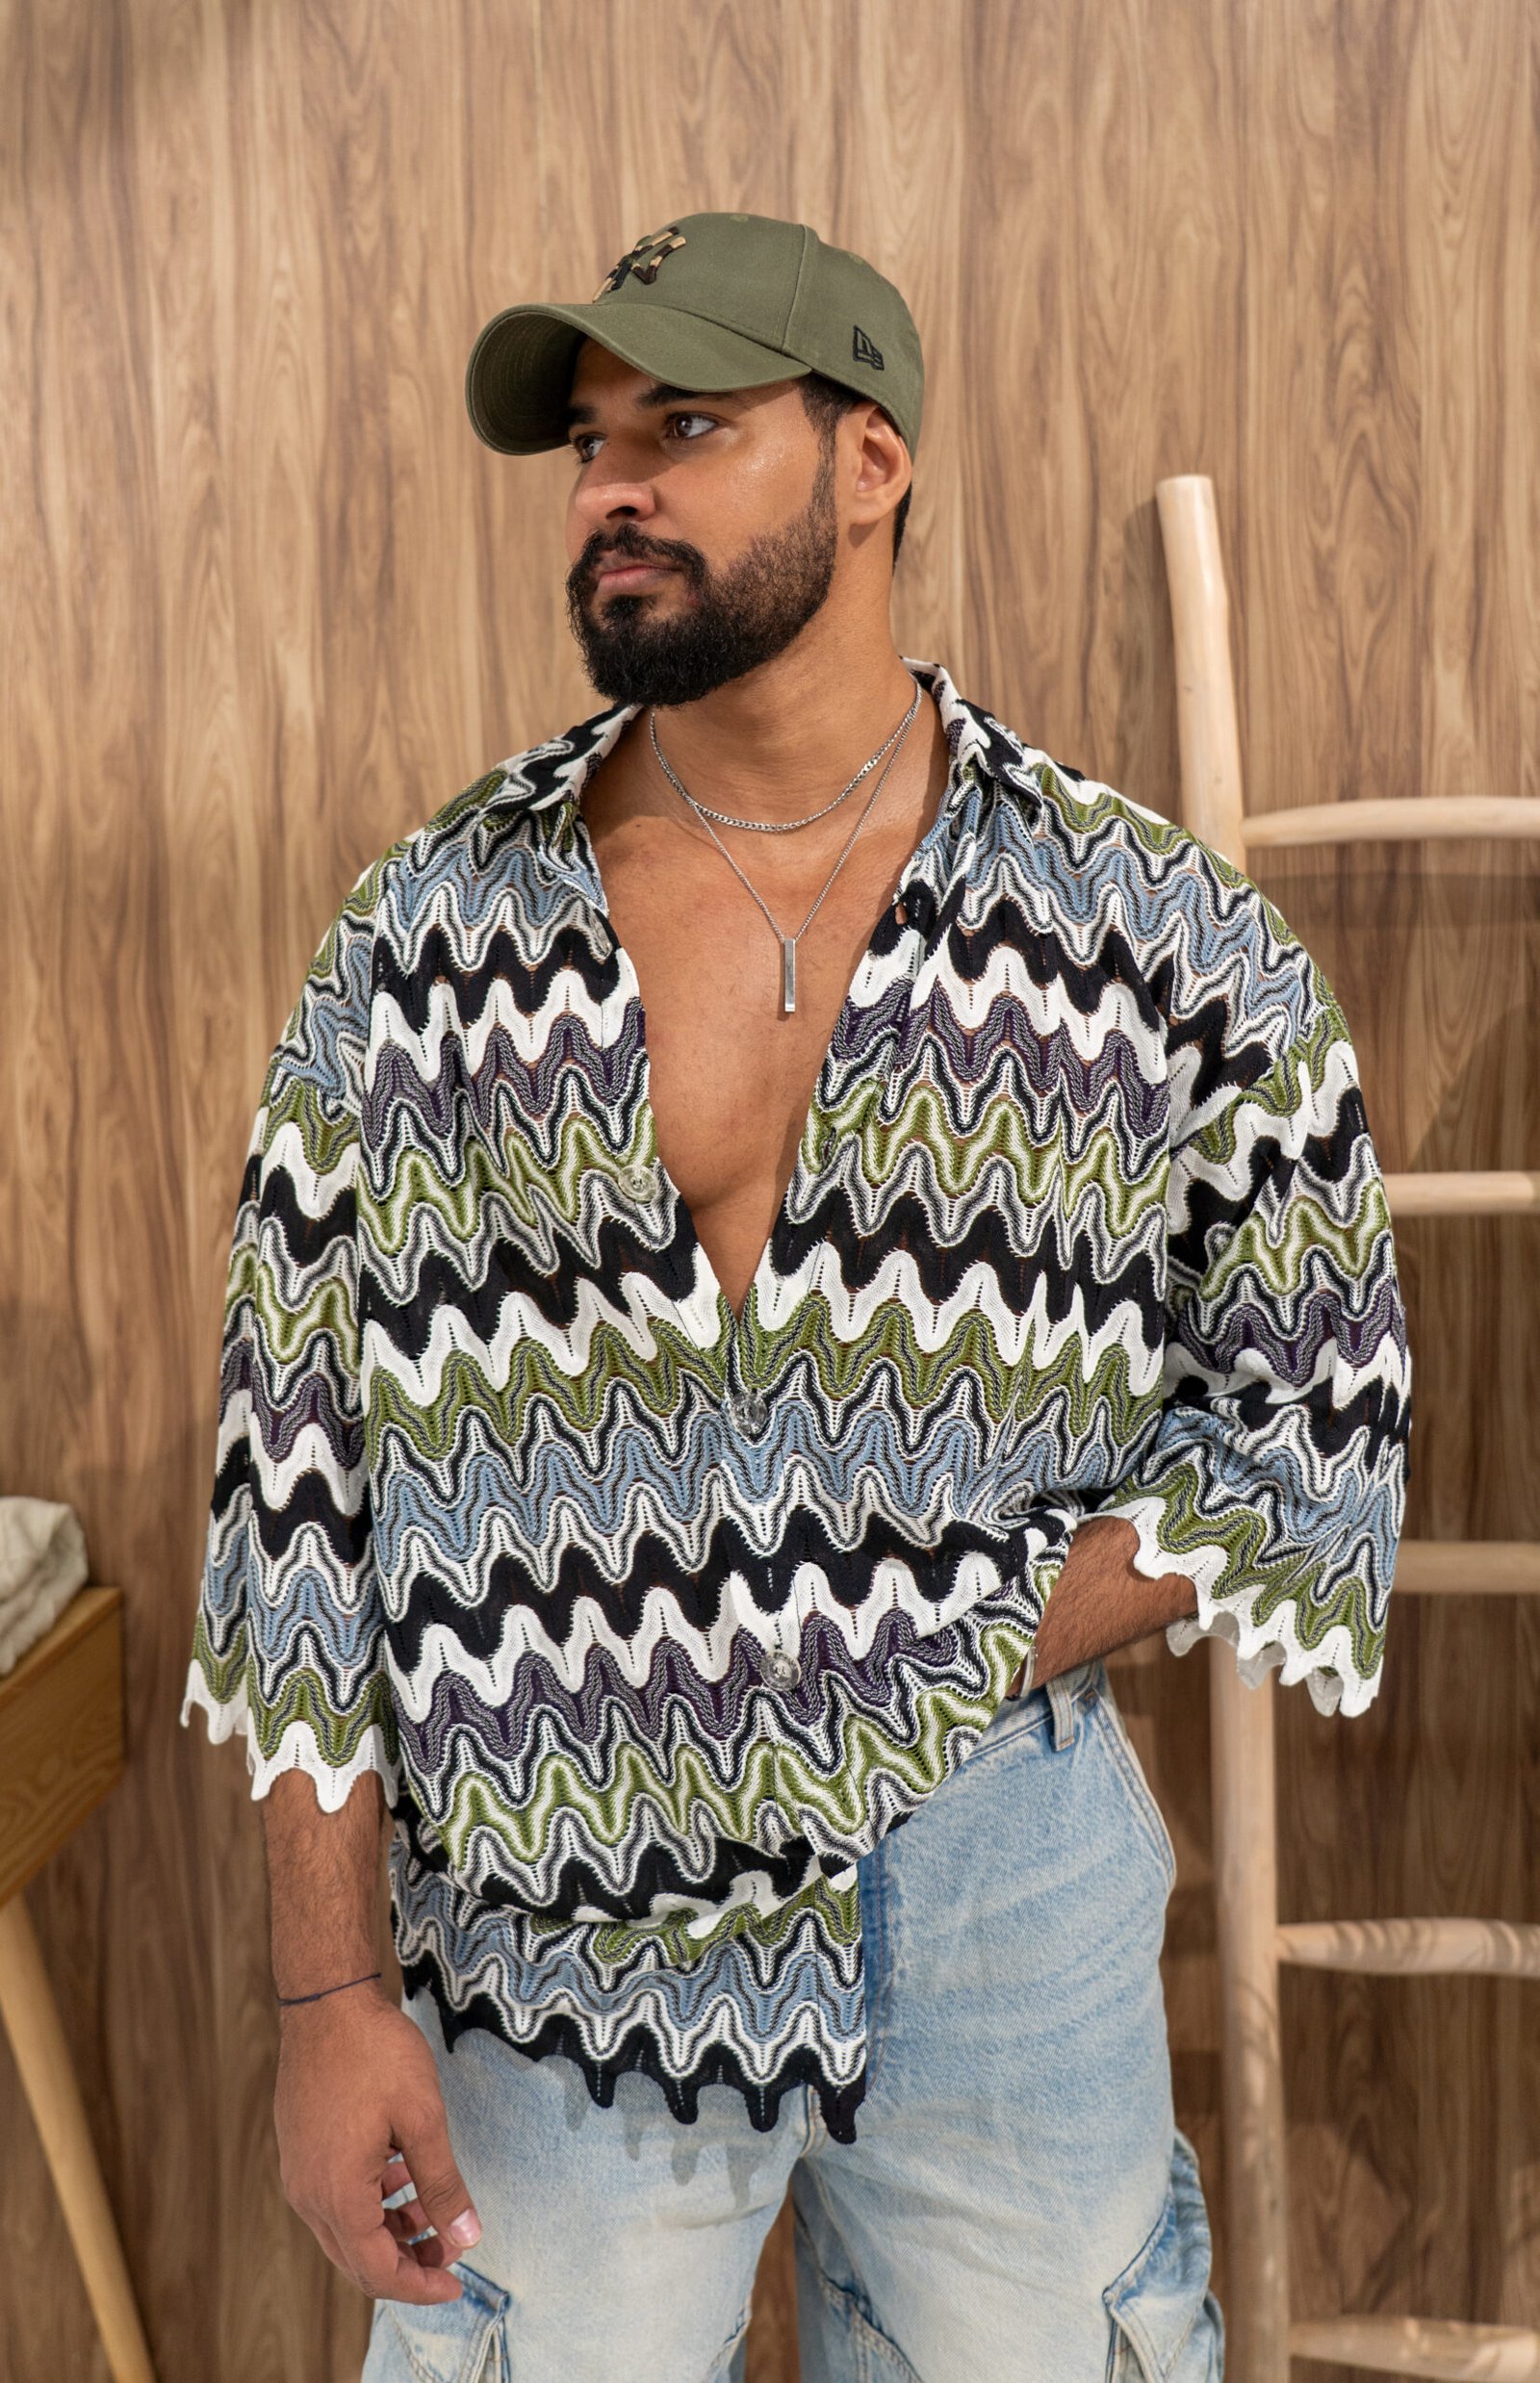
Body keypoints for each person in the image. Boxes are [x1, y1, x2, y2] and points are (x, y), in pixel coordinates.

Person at [180, 211, 1411, 2383]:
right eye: (589, 441)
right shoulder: (425, 944)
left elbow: (1318, 1418)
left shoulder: (1150, 937)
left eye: (685, 426)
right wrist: (325, 1989)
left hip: (994, 1872)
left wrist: (940, 1639)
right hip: (544, 1925)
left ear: (868, 462)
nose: (610, 487)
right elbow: (297, 1498)